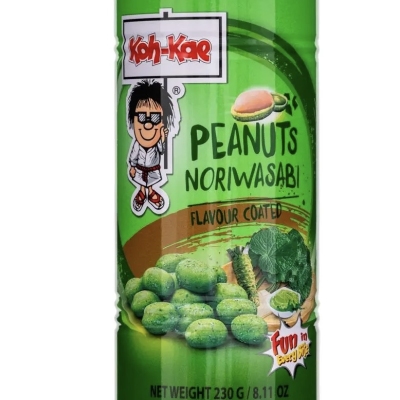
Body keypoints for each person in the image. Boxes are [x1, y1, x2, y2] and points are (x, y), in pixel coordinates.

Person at [127, 80, 174, 212]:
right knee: (142, 183)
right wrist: (132, 167)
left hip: (153, 169)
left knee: (151, 182)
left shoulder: (157, 144)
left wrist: (162, 139)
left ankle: (151, 192)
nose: (148, 125)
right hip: (140, 169)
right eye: (142, 117)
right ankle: (142, 192)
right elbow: (133, 156)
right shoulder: (137, 144)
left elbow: (161, 150)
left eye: (155, 118)